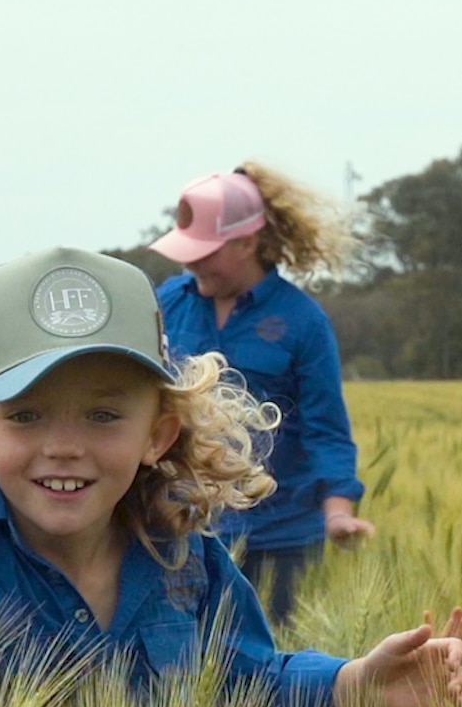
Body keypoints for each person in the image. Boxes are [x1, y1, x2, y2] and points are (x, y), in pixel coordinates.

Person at [0, 247, 462, 707]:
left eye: (103, 416)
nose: (65, 446)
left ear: (158, 433)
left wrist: (356, 685)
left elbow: (243, 692)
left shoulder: (183, 554)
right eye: (25, 416)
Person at [150, 164, 368, 626]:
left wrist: (338, 513)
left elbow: (325, 428)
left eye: (205, 252)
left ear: (247, 242)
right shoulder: (167, 302)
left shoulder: (303, 321)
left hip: (281, 539)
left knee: (274, 671)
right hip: (182, 529)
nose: (191, 263)